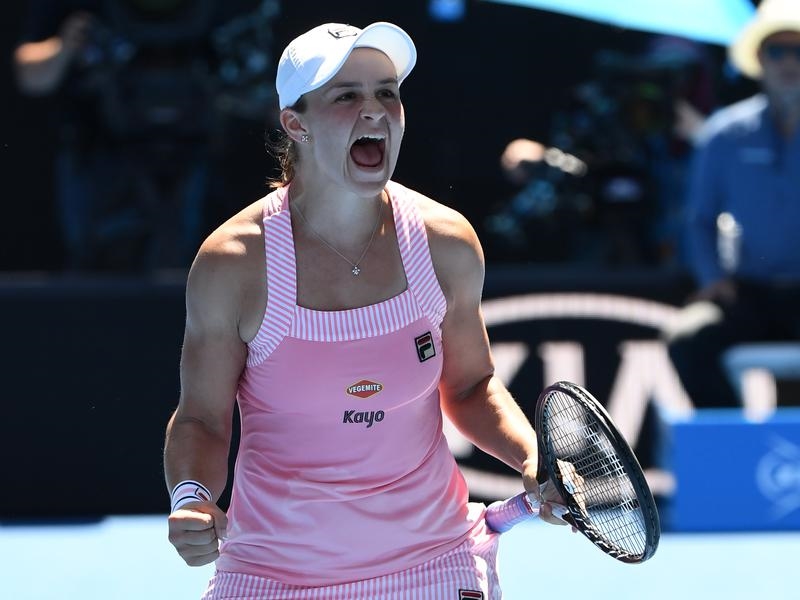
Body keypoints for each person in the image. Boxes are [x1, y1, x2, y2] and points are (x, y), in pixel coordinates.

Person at [163, 21, 566, 598]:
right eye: (346, 95)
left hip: (436, 563)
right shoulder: (233, 264)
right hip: (271, 574)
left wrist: (531, 457)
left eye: (387, 92)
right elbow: (202, 418)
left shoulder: (446, 243)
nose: (374, 109)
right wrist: (192, 497)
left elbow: (471, 385)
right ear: (295, 124)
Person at [664, 0, 800, 408]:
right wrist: (712, 279)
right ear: (759, 59)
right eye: (777, 51)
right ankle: (737, 439)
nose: (789, 62)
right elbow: (699, 220)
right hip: (748, 295)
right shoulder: (724, 133)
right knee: (688, 338)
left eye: (799, 50)